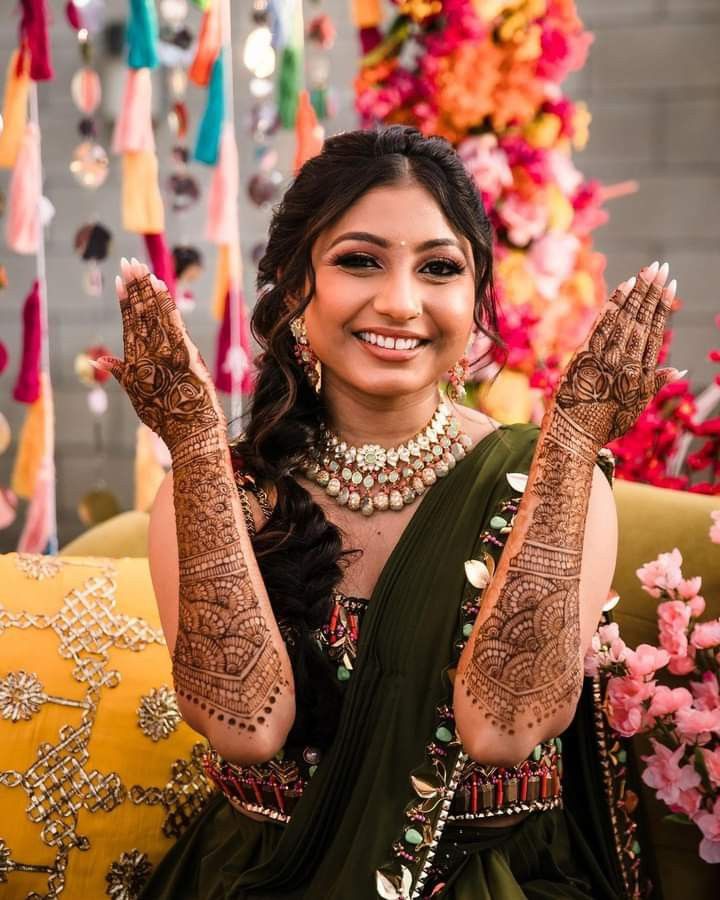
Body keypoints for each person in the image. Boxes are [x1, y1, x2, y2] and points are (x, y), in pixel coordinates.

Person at [96, 125, 678, 899]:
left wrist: (572, 446)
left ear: (475, 304)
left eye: (439, 268)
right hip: (272, 876)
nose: (401, 303)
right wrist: (197, 448)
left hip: (488, 879)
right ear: (296, 288)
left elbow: (502, 733)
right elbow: (248, 730)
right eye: (358, 260)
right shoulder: (224, 488)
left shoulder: (545, 478)